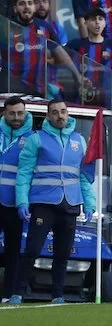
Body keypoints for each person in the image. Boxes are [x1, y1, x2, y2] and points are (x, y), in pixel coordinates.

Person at [10, 99, 96, 305]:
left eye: (63, 112)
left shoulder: (79, 141)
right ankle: (18, 292)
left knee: (63, 253)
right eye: (55, 112)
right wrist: (22, 202)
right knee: (32, 249)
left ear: (68, 114)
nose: (60, 116)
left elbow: (84, 177)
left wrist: (90, 203)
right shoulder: (36, 139)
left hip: (70, 203)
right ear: (48, 116)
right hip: (43, 202)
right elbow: (24, 173)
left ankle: (58, 295)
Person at [4, 0, 79, 98]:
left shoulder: (45, 27)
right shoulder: (6, 28)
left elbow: (60, 52)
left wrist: (77, 76)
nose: (26, 7)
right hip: (13, 88)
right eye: (22, 4)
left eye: (30, 3)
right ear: (15, 8)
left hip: (39, 88)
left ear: (34, 8)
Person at [0, 97, 34, 301]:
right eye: (12, 113)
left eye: (20, 113)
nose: (16, 117)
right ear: (4, 113)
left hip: (15, 203)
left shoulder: (32, 138)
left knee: (13, 251)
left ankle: (8, 294)